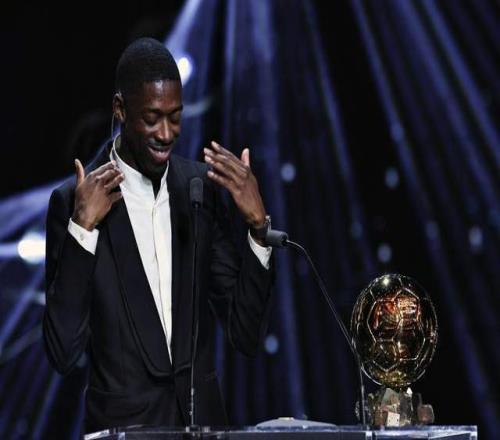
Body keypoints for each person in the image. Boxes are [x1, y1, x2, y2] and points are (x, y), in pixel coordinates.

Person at [43, 38, 274, 434]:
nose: (166, 133)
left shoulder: (199, 189)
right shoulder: (73, 202)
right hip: (124, 430)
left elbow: (245, 333)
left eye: (175, 117)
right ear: (120, 109)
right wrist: (82, 229)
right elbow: (63, 352)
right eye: (152, 118)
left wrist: (258, 228)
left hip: (203, 428)